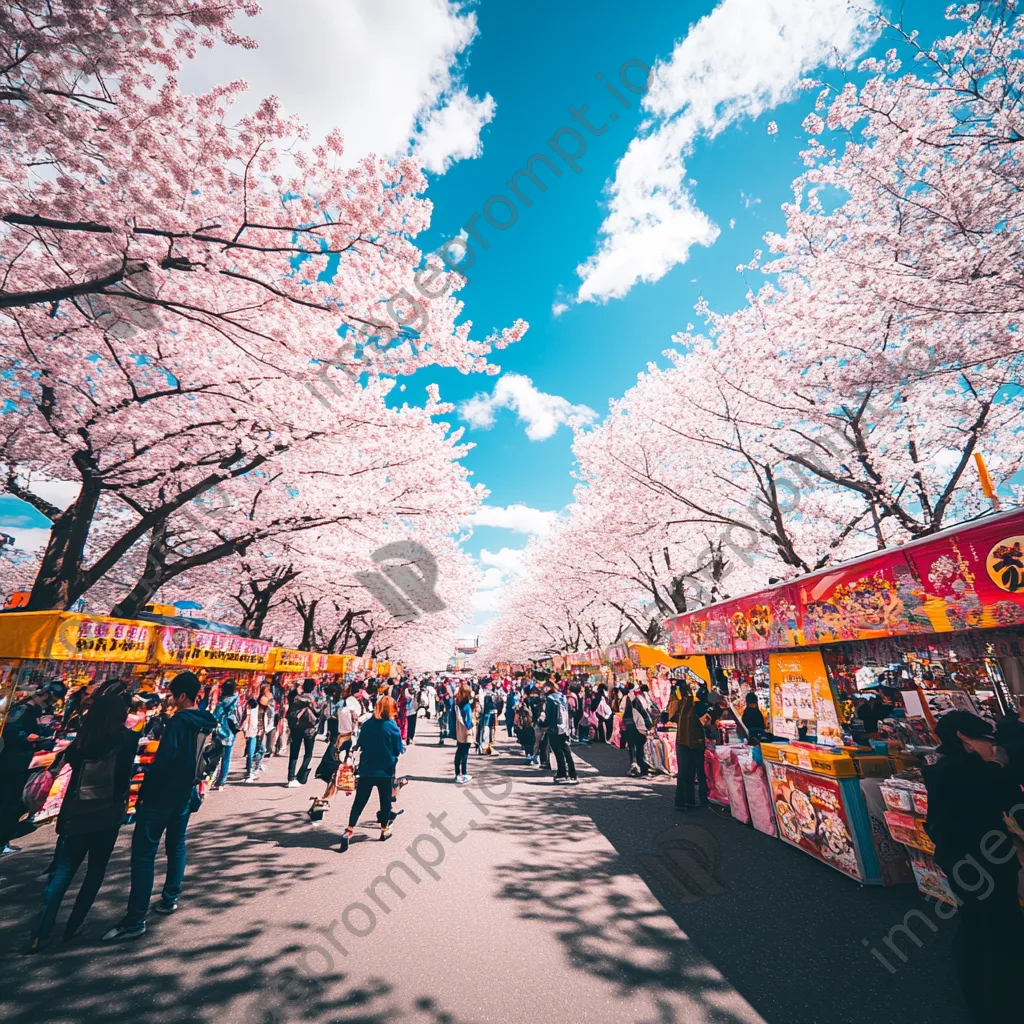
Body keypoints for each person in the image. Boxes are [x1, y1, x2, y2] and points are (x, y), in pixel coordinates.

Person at [923, 711, 1024, 1022]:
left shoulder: (941, 768)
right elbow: (1011, 801)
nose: (993, 747)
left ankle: (984, 999)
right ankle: (1000, 1002)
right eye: (987, 740)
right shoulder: (979, 775)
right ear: (965, 740)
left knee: (979, 924)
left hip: (959, 860)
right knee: (996, 926)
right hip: (983, 863)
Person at [102, 672, 214, 941]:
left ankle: (135, 919)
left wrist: (143, 793)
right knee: (177, 845)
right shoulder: (207, 721)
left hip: (162, 795)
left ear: (182, 696)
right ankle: (169, 898)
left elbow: (164, 761)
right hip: (186, 792)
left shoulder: (178, 722)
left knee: (144, 854)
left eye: (173, 695)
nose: (171, 700)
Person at [25, 687, 139, 952]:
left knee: (62, 873)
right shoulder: (127, 741)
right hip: (108, 815)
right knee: (95, 871)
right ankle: (74, 925)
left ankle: (40, 934)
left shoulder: (80, 743)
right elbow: (125, 778)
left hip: (76, 813)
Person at [339, 696, 405, 852]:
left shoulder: (368, 724)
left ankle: (349, 830)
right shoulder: (392, 726)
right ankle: (384, 830)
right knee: (385, 801)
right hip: (386, 769)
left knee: (359, 801)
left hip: (367, 768)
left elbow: (360, 743)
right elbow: (397, 749)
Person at [0, 684, 58, 856]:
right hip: (11, 763)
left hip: (19, 762)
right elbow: (11, 732)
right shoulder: (22, 709)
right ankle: (2, 842)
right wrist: (30, 738)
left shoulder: (32, 711)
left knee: (10, 802)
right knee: (8, 803)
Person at [668, 680, 709, 810]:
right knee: (697, 773)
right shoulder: (696, 704)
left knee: (685, 773)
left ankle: (685, 801)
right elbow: (706, 720)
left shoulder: (680, 703)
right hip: (695, 742)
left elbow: (671, 717)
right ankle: (699, 801)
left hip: (683, 741)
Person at [286, 679, 320, 788]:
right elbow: (317, 714)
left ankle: (291, 777)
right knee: (308, 753)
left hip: (296, 728)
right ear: (313, 687)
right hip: (309, 730)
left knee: (294, 753)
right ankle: (301, 776)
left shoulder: (296, 698)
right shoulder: (312, 699)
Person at [544, 683, 578, 784]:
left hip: (554, 728)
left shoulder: (550, 698)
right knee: (566, 749)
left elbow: (548, 715)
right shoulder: (563, 697)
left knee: (557, 751)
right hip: (564, 727)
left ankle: (562, 773)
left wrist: (544, 725)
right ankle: (572, 773)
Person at [209, 680, 240, 790]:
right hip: (231, 731)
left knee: (216, 756)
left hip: (221, 732)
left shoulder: (222, 702)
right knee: (227, 758)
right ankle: (221, 781)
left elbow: (215, 717)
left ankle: (212, 778)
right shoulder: (236, 698)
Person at [242, 690, 273, 782]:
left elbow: (266, 720)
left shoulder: (265, 710)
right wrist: (246, 730)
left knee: (261, 750)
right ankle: (249, 773)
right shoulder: (254, 707)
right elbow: (248, 717)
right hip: (252, 731)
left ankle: (254, 768)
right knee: (251, 752)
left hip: (260, 732)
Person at [624, 685, 654, 778]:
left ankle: (636, 767)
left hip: (633, 726)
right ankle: (643, 769)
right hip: (641, 727)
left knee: (633, 747)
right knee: (640, 748)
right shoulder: (647, 699)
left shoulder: (633, 699)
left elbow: (627, 713)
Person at [452, 683, 474, 784]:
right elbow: (468, 720)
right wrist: (471, 727)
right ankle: (464, 774)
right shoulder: (466, 706)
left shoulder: (457, 703)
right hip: (466, 730)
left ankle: (457, 774)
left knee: (459, 752)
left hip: (459, 730)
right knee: (465, 753)